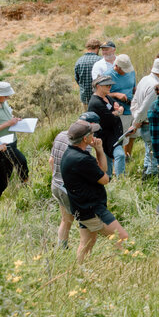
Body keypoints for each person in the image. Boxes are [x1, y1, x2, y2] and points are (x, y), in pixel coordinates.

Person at [60, 121, 129, 262]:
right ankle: (122, 268)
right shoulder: (82, 159)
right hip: (93, 210)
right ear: (85, 139)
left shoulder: (70, 153)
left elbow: (101, 170)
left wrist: (99, 150)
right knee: (122, 237)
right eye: (92, 133)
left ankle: (80, 269)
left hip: (81, 208)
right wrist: (99, 151)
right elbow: (105, 178)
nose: (95, 135)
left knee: (87, 243)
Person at [48, 115, 96, 249]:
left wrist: (57, 177)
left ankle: (61, 248)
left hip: (56, 185)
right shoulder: (83, 146)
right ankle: (83, 254)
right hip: (70, 189)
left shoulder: (60, 135)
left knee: (66, 220)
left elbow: (51, 161)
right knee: (86, 224)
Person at [0, 81, 28, 183]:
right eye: (5, 96)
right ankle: (25, 183)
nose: (8, 98)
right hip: (2, 142)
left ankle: (6, 185)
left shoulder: (3, 102)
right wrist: (8, 123)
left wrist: (14, 119)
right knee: (21, 161)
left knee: (8, 165)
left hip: (12, 139)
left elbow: (7, 115)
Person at [87, 75, 126, 177]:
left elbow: (118, 106)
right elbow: (110, 118)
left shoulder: (106, 97)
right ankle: (120, 180)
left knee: (108, 161)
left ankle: (111, 181)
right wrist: (118, 111)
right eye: (107, 85)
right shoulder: (95, 102)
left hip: (113, 135)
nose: (110, 87)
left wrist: (117, 109)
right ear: (98, 86)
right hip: (104, 137)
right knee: (119, 155)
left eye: (110, 85)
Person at [74, 38, 102, 106]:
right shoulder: (100, 60)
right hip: (98, 97)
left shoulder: (79, 61)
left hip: (85, 97)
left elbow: (77, 79)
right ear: (97, 48)